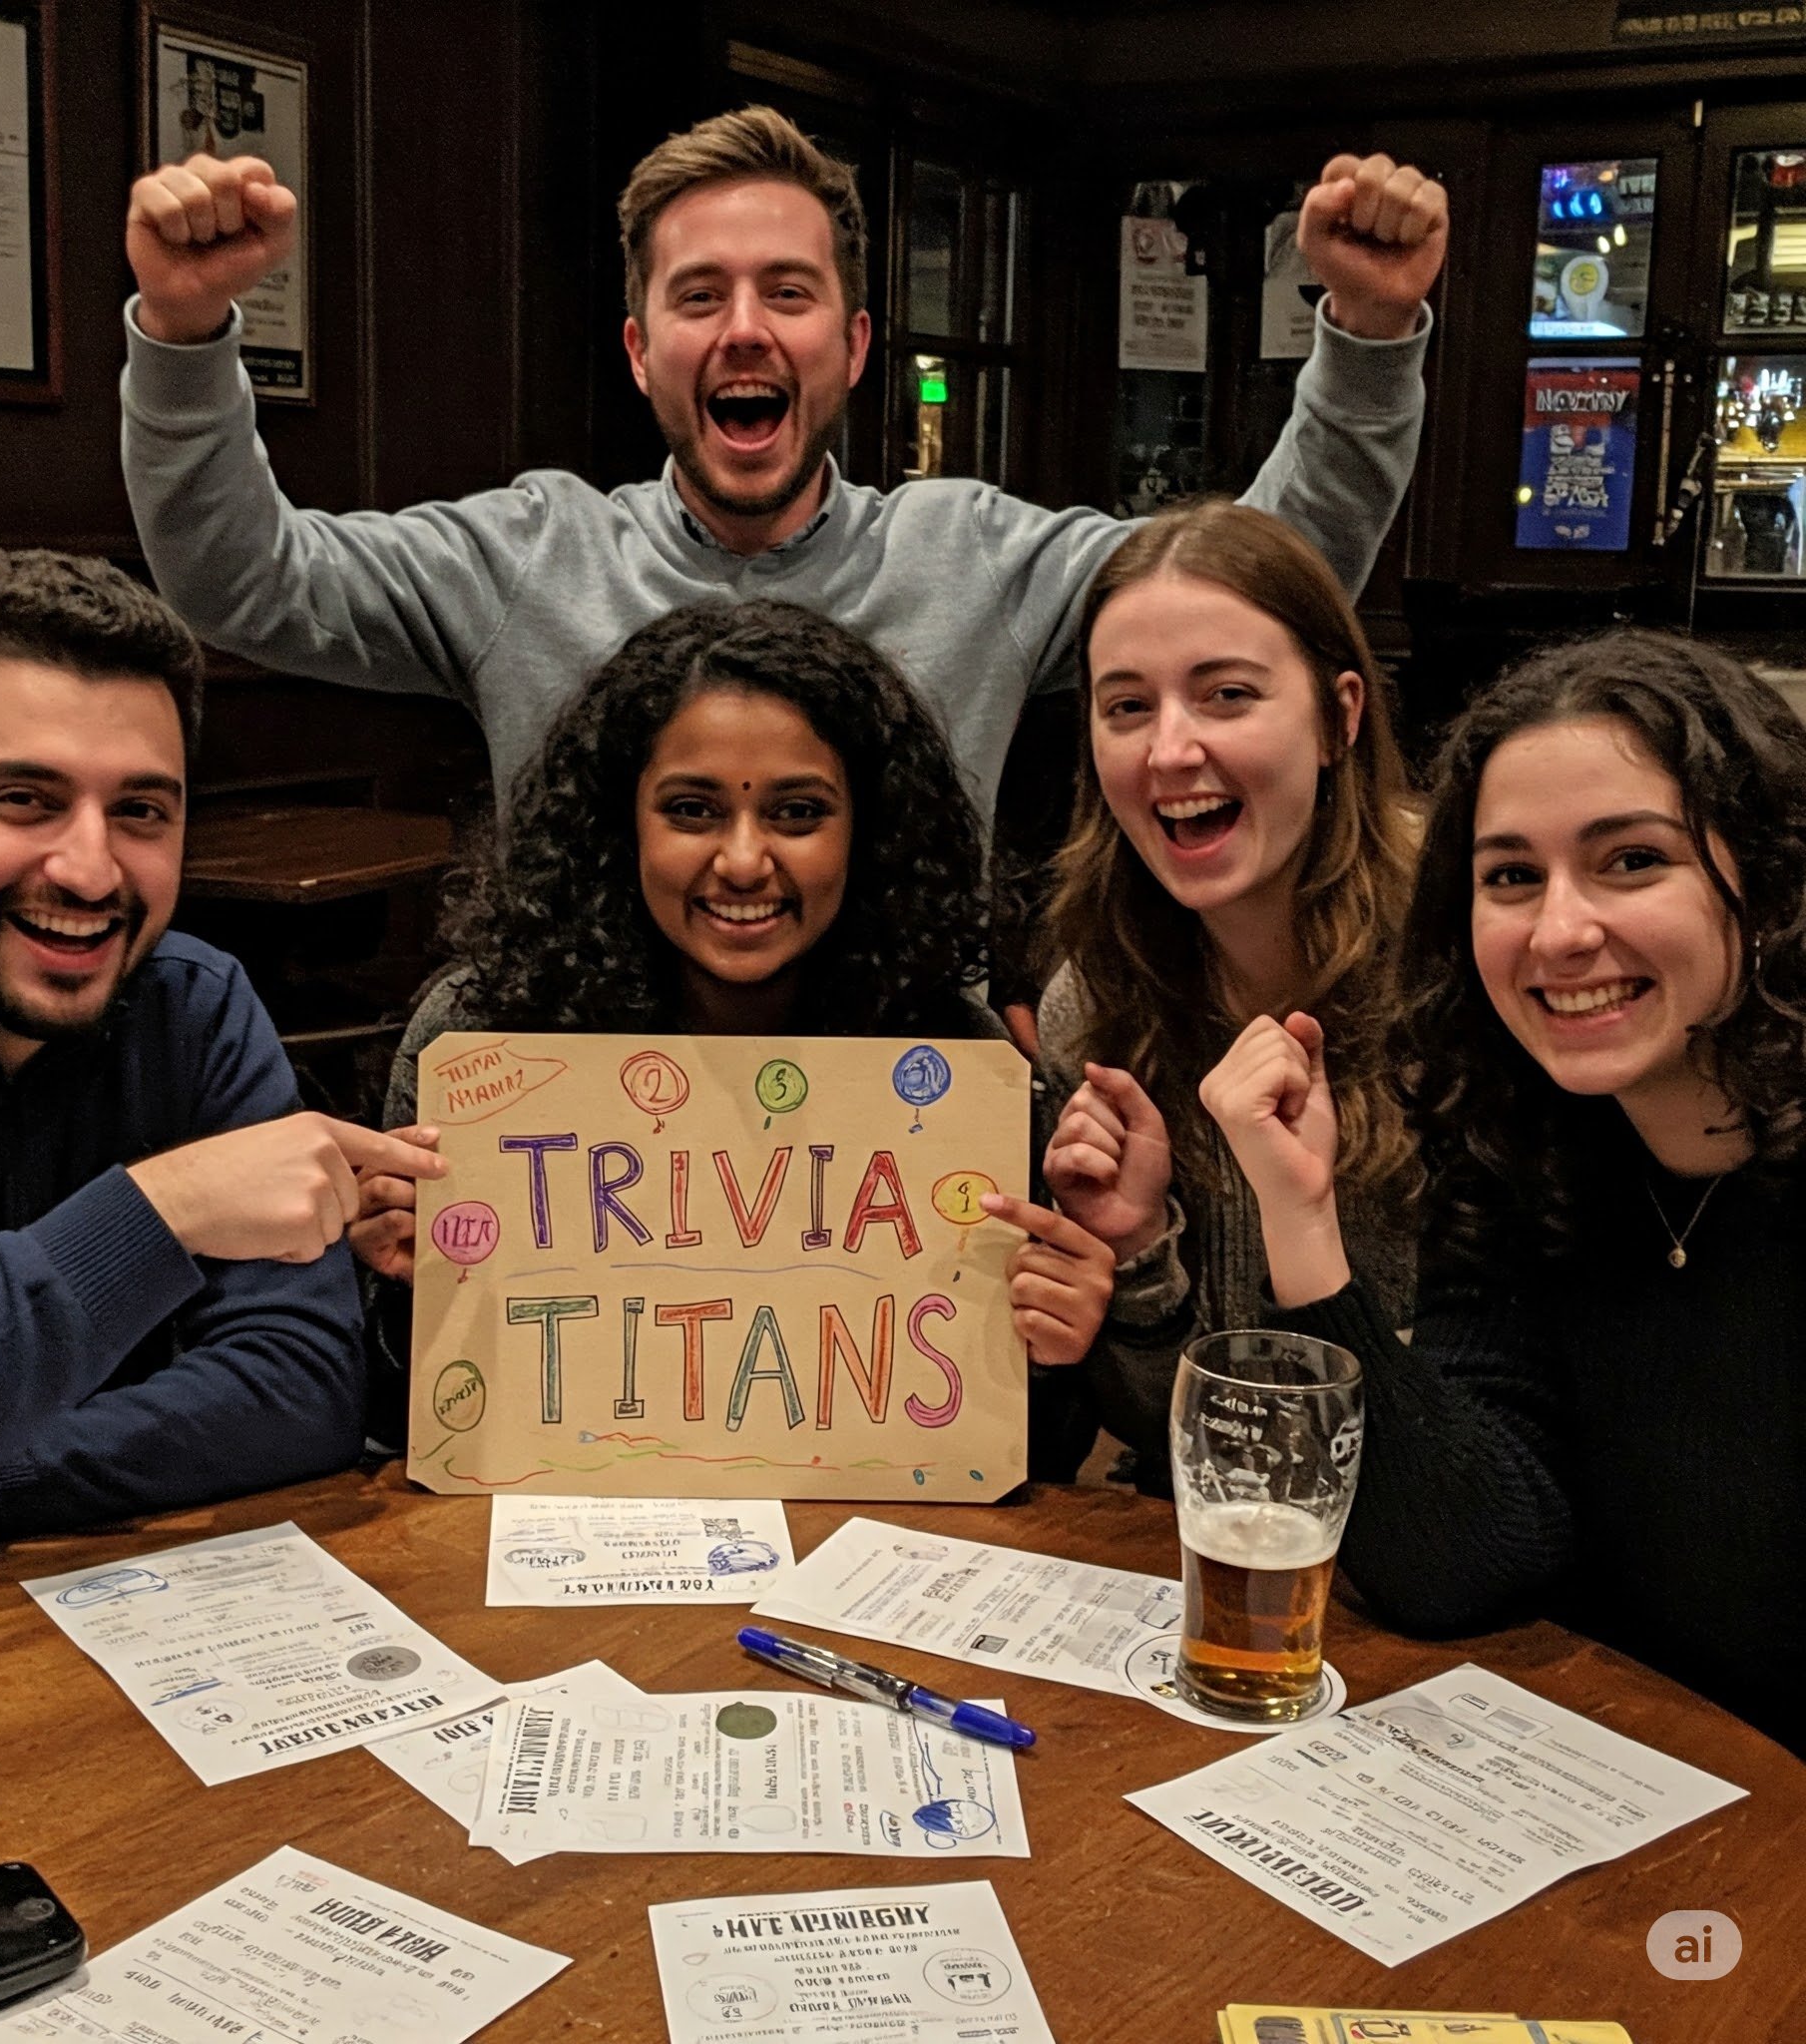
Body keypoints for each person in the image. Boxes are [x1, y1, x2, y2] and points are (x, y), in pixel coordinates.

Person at [118, 106, 1448, 823]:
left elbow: (1259, 593)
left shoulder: (973, 555)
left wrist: (1371, 334)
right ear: (641, 352)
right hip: (590, 1132)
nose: (744, 328)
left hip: (908, 1135)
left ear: (852, 346)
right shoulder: (525, 554)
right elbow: (245, 586)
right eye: (699, 296)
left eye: (789, 292)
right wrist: (180, 335)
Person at [1200, 630, 1806, 1755]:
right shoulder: (1521, 1155)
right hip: (1627, 1789)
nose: (1560, 931)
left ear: (1765, 877)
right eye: (1511, 877)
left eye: (1632, 859)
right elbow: (1457, 1561)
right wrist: (1301, 1218)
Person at [0, 551, 445, 1536]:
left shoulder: (199, 1004)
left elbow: (299, 1390)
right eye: (24, 799)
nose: (90, 871)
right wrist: (164, 1210)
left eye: (139, 812)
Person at [354, 598, 1113, 1438]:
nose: (745, 860)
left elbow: (1025, 1447)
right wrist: (407, 1292)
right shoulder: (479, 1036)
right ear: (619, 823)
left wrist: (1053, 1350)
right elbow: (395, 1417)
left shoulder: (954, 1062)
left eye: (798, 812)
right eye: (692, 809)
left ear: (869, 829)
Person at [1032, 500, 1421, 1485]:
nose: (1169, 751)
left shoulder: (1458, 972)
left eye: (1226, 695)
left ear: (1339, 717)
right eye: (1126, 707)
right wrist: (1136, 1254)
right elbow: (1169, 1436)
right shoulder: (1094, 999)